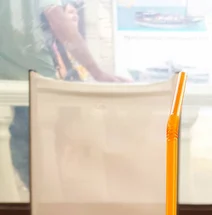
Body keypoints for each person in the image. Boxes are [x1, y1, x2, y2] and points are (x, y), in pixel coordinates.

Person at [0, 1, 125, 189]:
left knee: (26, 167)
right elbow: (59, 22)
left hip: (15, 86)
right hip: (35, 84)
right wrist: (97, 72)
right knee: (46, 171)